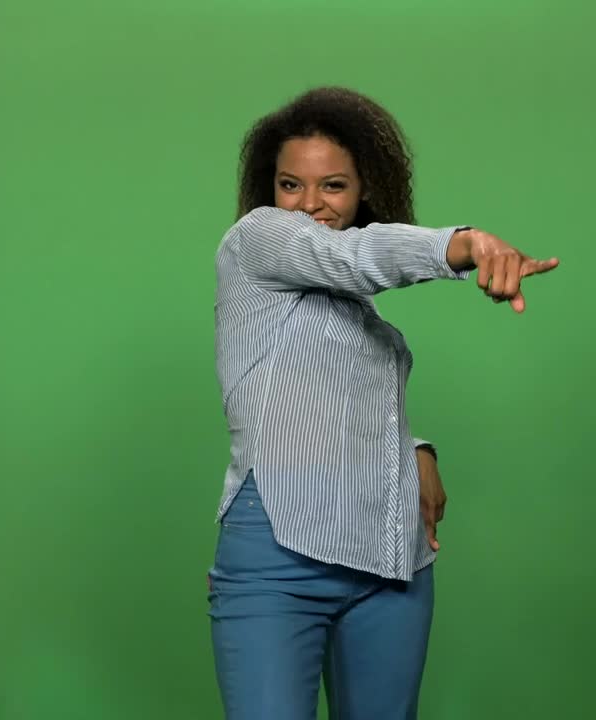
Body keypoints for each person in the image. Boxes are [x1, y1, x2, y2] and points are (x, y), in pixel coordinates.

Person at [207, 86, 559, 720]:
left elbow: (331, 402)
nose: (309, 205)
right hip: (279, 554)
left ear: (364, 189)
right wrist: (465, 244)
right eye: (291, 185)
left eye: (333, 186)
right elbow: (357, 256)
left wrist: (415, 450)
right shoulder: (257, 242)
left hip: (392, 561)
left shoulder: (352, 308)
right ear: (271, 191)